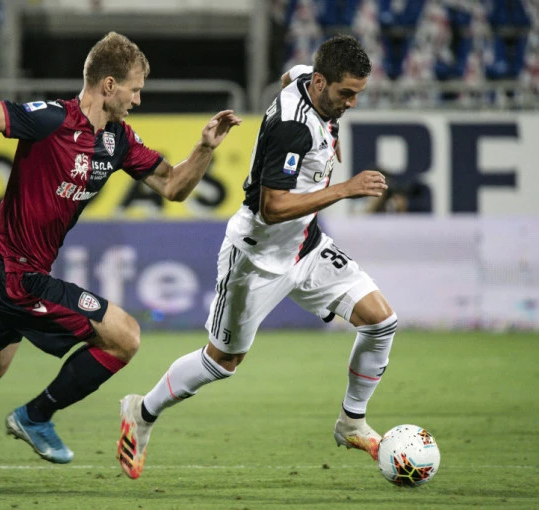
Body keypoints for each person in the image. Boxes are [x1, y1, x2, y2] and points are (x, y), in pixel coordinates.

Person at [0, 31, 242, 489]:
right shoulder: (51, 119)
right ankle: (36, 415)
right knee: (124, 336)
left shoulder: (118, 140)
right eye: (134, 89)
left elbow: (173, 186)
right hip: (11, 270)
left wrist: (204, 148)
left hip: (2, 268)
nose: (138, 99)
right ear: (108, 85)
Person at [117, 35, 396, 480]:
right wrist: (345, 187)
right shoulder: (292, 130)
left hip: (306, 247)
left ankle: (351, 422)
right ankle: (142, 411)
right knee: (221, 362)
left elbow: (289, 76)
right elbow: (272, 208)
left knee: (381, 321)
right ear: (321, 83)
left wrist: (330, 142)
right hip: (257, 258)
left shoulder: (307, 80)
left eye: (357, 93)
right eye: (346, 93)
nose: (352, 103)